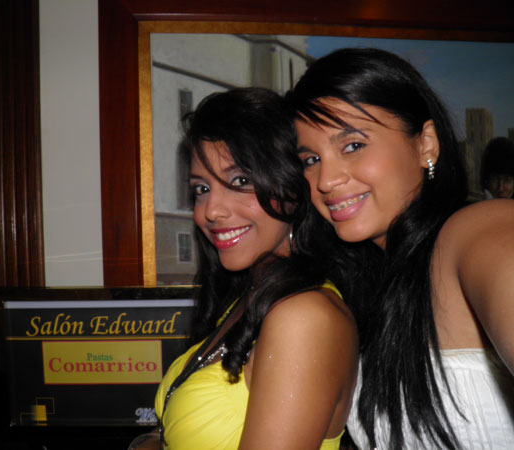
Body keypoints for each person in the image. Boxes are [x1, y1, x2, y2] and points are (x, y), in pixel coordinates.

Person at [288, 48, 514, 450]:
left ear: (425, 143)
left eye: (352, 145)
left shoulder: (475, 231)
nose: (325, 180)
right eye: (310, 159)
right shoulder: (364, 289)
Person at [128, 87, 358, 450]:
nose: (211, 211)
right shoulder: (248, 297)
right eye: (201, 189)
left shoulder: (304, 316)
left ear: (291, 186)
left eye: (240, 182)